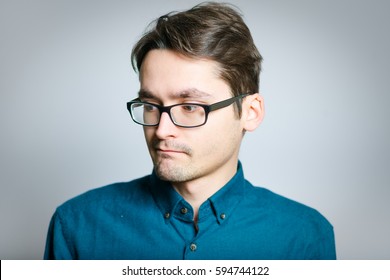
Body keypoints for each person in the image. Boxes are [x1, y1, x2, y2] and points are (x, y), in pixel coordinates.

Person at [44, 2, 336, 260]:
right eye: (150, 105)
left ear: (250, 112)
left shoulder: (305, 236)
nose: (161, 130)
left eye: (190, 106)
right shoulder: (77, 225)